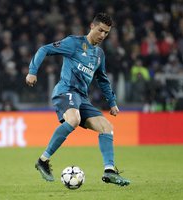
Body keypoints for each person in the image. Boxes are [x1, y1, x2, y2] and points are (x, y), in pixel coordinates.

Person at [25, 13, 130, 186]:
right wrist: (32, 71)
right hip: (65, 91)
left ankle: (109, 171)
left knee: (107, 127)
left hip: (81, 98)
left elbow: (102, 79)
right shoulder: (73, 43)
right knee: (74, 119)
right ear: (92, 26)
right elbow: (44, 49)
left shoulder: (99, 55)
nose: (103, 35)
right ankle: (43, 160)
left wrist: (112, 102)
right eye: (100, 30)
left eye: (106, 33)